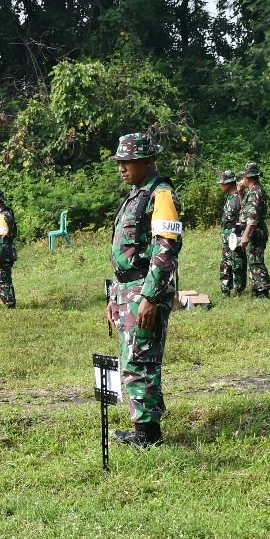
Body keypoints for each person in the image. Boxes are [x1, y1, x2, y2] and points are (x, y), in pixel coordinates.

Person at [107, 133, 181, 448]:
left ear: (148, 162)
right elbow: (124, 254)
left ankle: (148, 435)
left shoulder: (161, 195)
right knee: (131, 358)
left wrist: (150, 297)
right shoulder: (137, 194)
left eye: (129, 162)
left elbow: (165, 250)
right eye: (120, 162)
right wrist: (113, 297)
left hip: (144, 290)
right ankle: (142, 428)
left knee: (142, 359)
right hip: (128, 289)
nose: (122, 168)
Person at [237, 162, 270, 297]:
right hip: (252, 231)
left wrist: (245, 235)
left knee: (256, 261)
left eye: (243, 177)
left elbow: (253, 217)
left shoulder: (255, 192)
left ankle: (262, 290)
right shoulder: (251, 191)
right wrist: (240, 193)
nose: (242, 180)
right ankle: (257, 288)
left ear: (248, 178)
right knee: (252, 261)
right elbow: (245, 210)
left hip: (255, 232)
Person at [217, 169, 245, 296]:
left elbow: (243, 217)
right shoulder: (229, 198)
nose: (221, 185)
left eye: (222, 183)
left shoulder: (239, 198)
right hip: (227, 235)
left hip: (236, 235)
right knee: (226, 263)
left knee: (238, 262)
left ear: (228, 184)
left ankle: (239, 289)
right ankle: (225, 290)